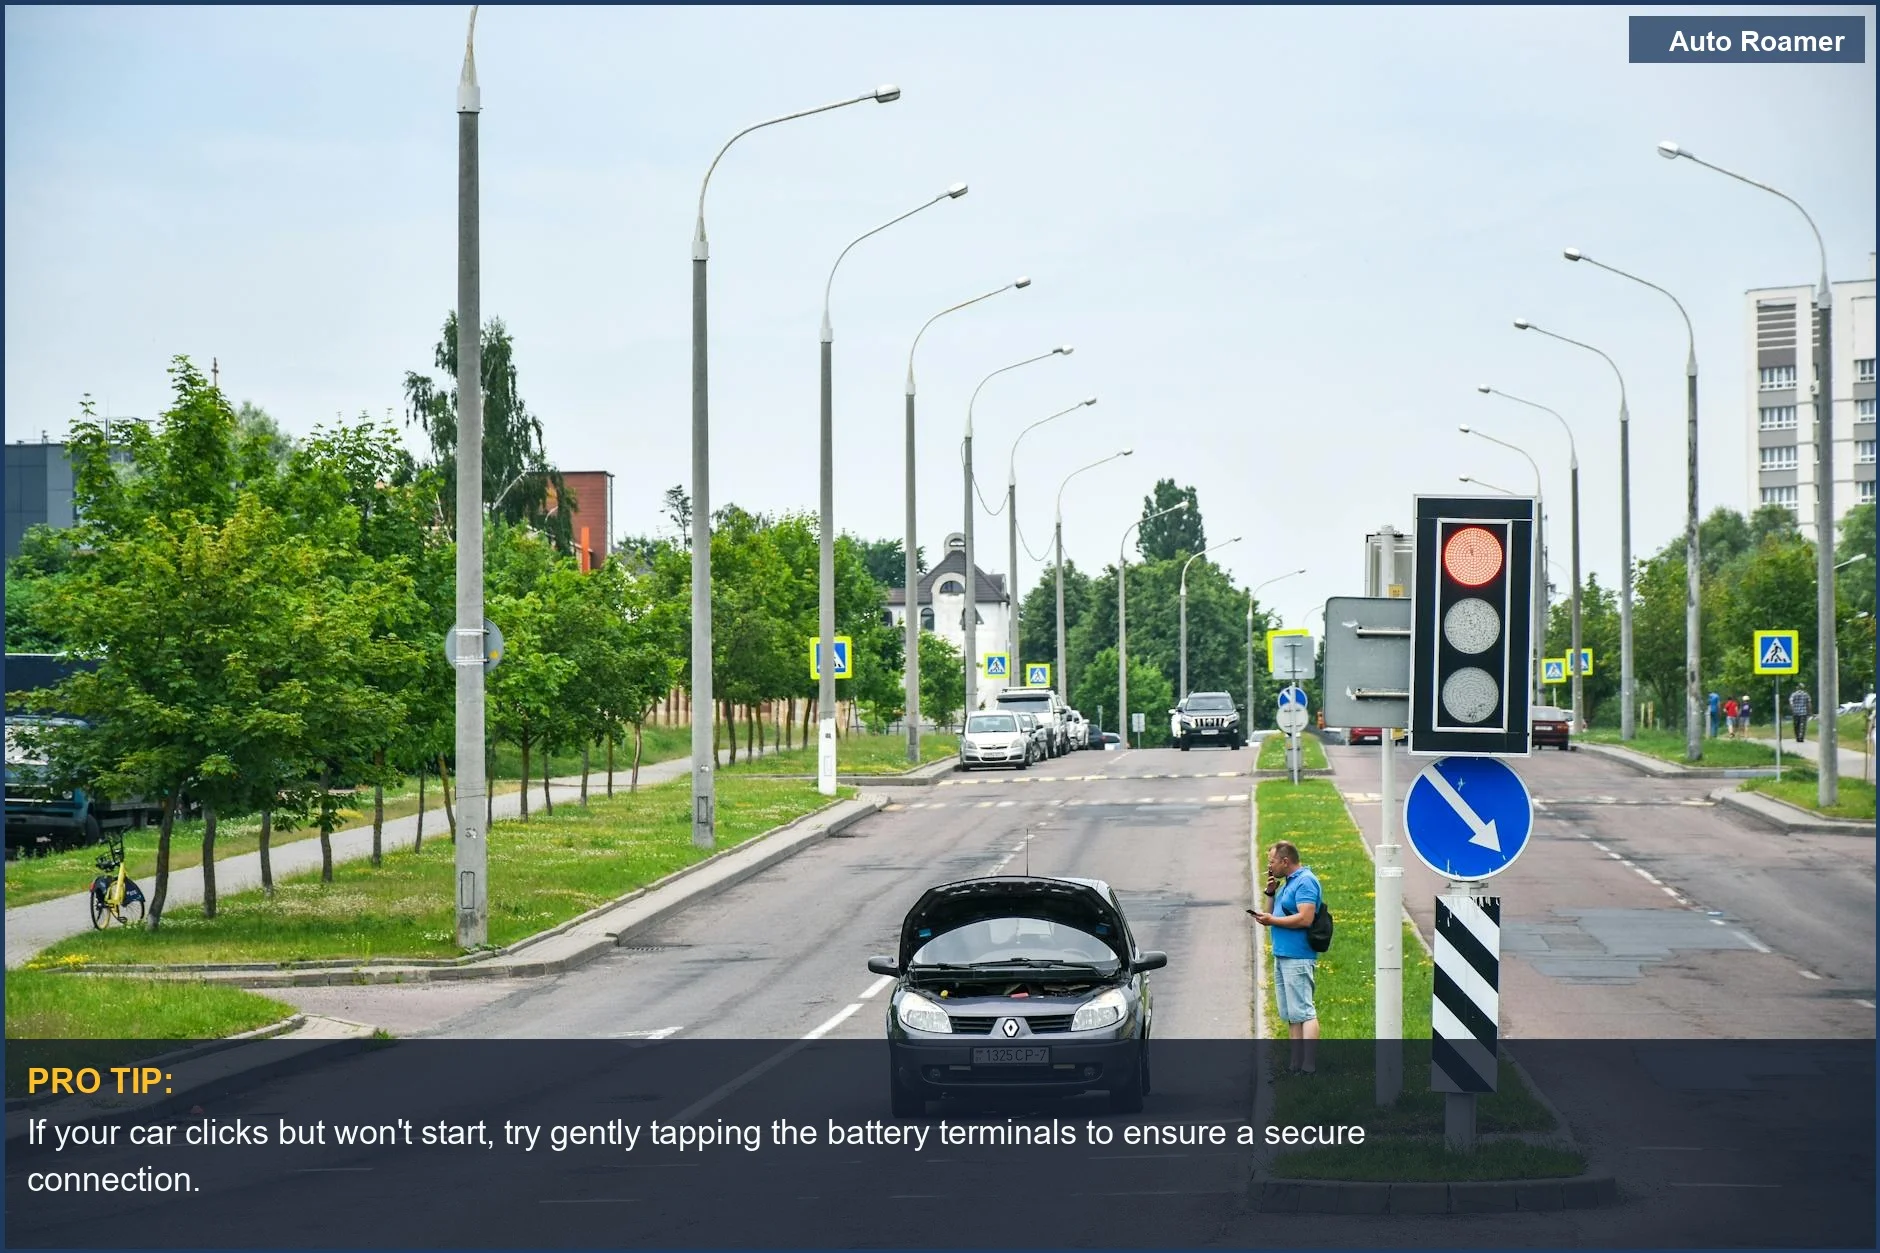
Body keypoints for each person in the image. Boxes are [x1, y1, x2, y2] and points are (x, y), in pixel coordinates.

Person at [1250, 840, 1321, 1075]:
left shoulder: (1305, 882)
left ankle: (1309, 1066)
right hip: (1282, 954)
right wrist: (1270, 893)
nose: (1269, 867)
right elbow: (1271, 913)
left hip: (1298, 956)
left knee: (1304, 1011)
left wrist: (1272, 921)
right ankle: (1295, 1065)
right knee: (1292, 1014)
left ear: (1285, 861)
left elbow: (1305, 918)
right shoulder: (1288, 883)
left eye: (1271, 862)